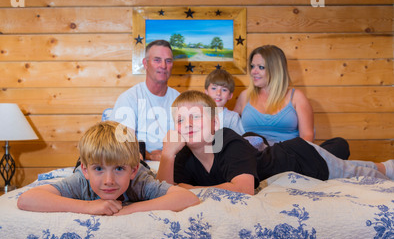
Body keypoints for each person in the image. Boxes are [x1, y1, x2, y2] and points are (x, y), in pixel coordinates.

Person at [157, 90, 393, 195]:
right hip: (282, 160)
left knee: (364, 173)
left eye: (195, 117)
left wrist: (191, 189)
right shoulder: (183, 155)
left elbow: (243, 189)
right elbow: (166, 192)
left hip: (301, 158)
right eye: (179, 119)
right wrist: (167, 156)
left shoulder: (228, 139)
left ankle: (387, 166)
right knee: (356, 166)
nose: (187, 123)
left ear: (214, 123)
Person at [18, 121, 199, 216]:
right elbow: (27, 199)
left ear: (132, 171)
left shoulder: (140, 180)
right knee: (106, 158)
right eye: (98, 169)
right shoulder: (81, 179)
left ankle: (138, 154)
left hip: (137, 162)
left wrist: (128, 210)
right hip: (94, 163)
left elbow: (187, 197)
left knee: (137, 158)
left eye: (119, 169)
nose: (109, 181)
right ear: (86, 171)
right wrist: (88, 207)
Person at [234, 45, 350, 160]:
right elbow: (226, 125)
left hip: (289, 155)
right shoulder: (245, 96)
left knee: (339, 145)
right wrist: (218, 105)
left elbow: (307, 136)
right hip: (255, 156)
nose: (253, 71)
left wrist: (292, 154)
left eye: (261, 67)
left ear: (276, 69)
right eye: (252, 66)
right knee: (250, 138)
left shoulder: (296, 97)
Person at [110, 40, 179, 161]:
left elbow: (189, 140)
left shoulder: (179, 99)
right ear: (145, 64)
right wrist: (151, 156)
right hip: (138, 163)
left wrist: (167, 155)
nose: (163, 65)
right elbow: (122, 144)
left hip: (174, 162)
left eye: (168, 61)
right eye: (157, 60)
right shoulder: (129, 98)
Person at [204, 69, 244, 135]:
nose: (218, 93)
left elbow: (240, 141)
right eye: (214, 88)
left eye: (224, 90)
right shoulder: (198, 114)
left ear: (230, 95)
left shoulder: (233, 118)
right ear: (206, 92)